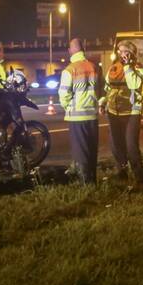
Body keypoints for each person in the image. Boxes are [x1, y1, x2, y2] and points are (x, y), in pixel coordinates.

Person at [101, 39, 143, 186]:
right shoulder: (113, 69)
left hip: (131, 112)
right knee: (116, 146)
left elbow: (133, 84)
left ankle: (141, 180)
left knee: (131, 147)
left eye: (125, 52)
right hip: (113, 112)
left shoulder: (138, 68)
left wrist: (128, 66)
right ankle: (122, 175)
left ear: (132, 54)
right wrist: (103, 102)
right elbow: (107, 88)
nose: (122, 54)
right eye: (120, 51)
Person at [58, 38, 101, 184]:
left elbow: (64, 95)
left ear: (71, 51)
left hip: (77, 118)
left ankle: (85, 184)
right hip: (92, 116)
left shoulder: (69, 70)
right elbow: (101, 91)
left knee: (80, 151)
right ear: (83, 50)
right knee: (92, 149)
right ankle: (93, 180)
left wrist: (69, 107)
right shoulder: (94, 67)